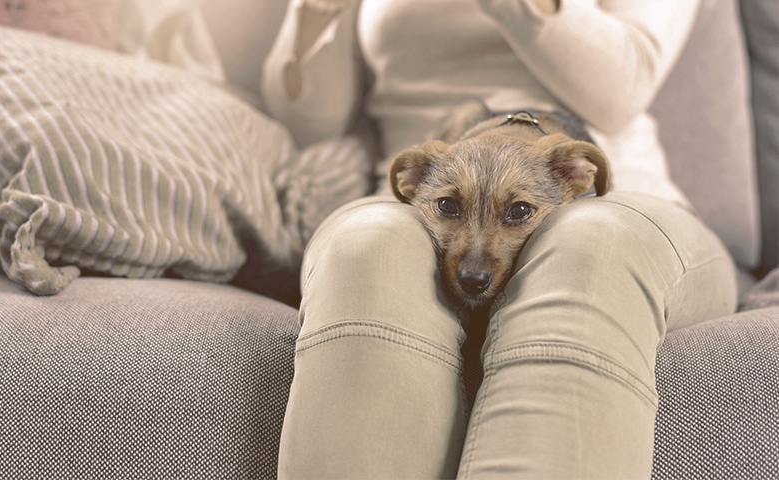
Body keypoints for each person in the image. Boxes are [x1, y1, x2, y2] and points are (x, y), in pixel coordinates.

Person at [261, 0, 738, 477]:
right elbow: (305, 124)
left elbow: (623, 90)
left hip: (619, 197)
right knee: (368, 249)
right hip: (426, 186)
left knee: (593, 246)